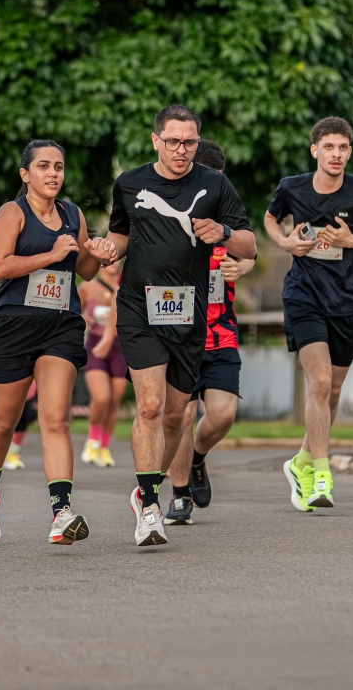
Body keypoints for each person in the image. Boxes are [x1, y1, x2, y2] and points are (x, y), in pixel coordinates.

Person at [102, 105, 255, 547]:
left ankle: (146, 490)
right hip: (139, 308)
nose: (181, 150)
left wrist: (222, 233)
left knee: (174, 415)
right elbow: (120, 236)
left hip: (189, 315)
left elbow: (249, 246)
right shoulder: (129, 183)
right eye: (173, 141)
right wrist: (105, 250)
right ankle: (150, 507)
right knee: (150, 406)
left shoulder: (215, 184)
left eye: (189, 142)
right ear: (156, 141)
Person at [0, 140, 116, 547]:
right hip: (12, 327)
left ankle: (61, 513)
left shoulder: (73, 214)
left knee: (55, 419)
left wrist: (100, 254)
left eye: (58, 166)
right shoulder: (12, 212)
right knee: (3, 422)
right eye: (43, 166)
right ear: (26, 174)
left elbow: (84, 271)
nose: (53, 173)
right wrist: (51, 255)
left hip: (60, 325)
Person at [264, 116, 353, 511]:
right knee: (319, 383)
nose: (336, 154)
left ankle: (301, 460)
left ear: (349, 152)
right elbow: (270, 218)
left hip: (347, 299)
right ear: (314, 149)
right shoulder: (292, 187)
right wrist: (285, 242)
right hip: (304, 296)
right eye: (329, 147)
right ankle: (321, 474)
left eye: (343, 147)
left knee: (332, 391)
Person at [164, 140, 255, 524]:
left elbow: (249, 254)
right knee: (182, 415)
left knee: (222, 414)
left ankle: (198, 458)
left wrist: (241, 268)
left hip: (221, 334)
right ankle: (179, 494)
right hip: (178, 334)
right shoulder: (170, 213)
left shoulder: (227, 217)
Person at [78, 261, 126, 467]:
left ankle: (104, 448)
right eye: (108, 260)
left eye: (116, 259)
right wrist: (83, 318)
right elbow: (73, 311)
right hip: (95, 345)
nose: (112, 263)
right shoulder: (88, 287)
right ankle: (93, 439)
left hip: (120, 347)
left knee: (114, 401)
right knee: (101, 397)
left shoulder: (124, 287)